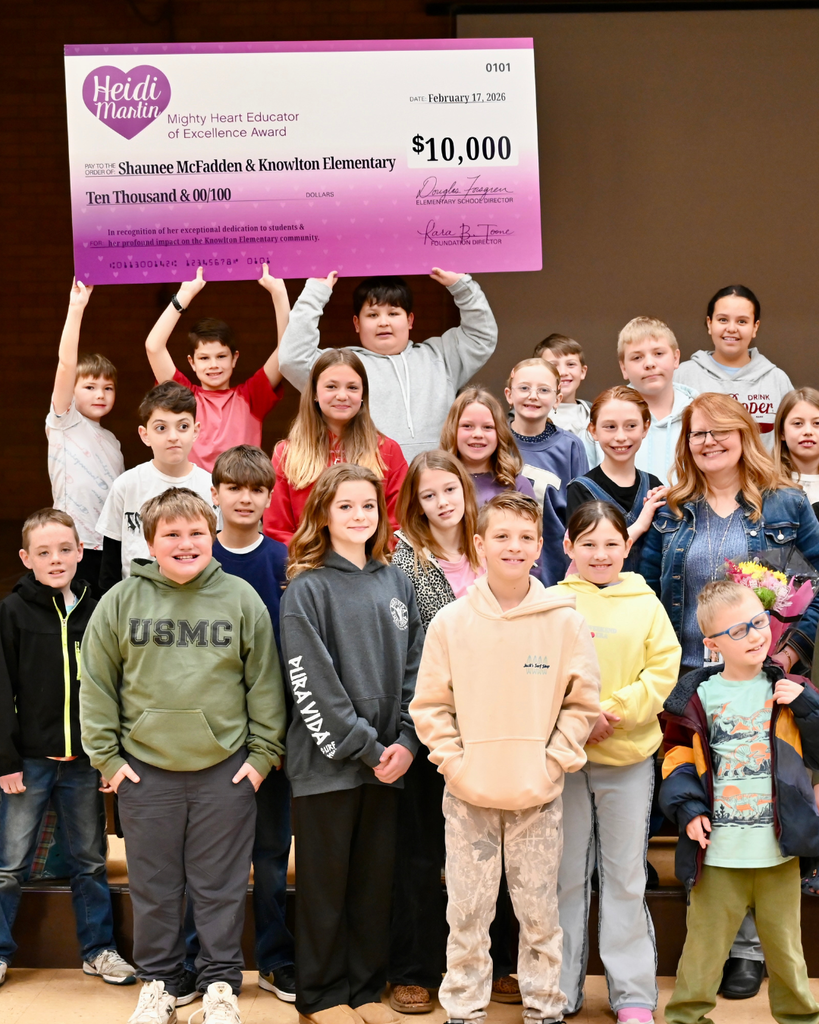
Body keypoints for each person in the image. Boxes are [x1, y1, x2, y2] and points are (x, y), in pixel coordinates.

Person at [81, 488, 286, 1024]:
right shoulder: (121, 601)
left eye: (196, 532)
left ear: (213, 535)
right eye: (171, 534)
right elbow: (97, 685)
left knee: (219, 885)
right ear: (150, 542)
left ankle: (219, 983)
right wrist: (109, 760)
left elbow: (265, 682)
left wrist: (262, 757)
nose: (185, 543)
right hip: (145, 772)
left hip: (227, 770)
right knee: (154, 887)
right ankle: (161, 982)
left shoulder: (240, 597)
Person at [640, 391, 819, 997]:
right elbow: (644, 590)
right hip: (689, 679)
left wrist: (788, 652)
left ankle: (746, 952)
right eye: (697, 434)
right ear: (685, 444)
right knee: (704, 806)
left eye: (721, 432)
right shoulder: (670, 512)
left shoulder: (785, 504)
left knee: (751, 802)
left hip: (757, 677)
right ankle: (709, 940)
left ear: (744, 434)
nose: (709, 442)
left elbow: (814, 588)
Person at [410, 491, 601, 1024]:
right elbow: (429, 704)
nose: (513, 547)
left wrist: (553, 761)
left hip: (537, 794)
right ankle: (464, 1008)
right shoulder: (450, 622)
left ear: (540, 547)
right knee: (466, 911)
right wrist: (454, 762)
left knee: (539, 911)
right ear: (479, 544)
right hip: (468, 793)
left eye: (524, 538)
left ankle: (544, 1006)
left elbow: (583, 702)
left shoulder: (565, 622)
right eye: (501, 537)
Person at [280, 463, 424, 1024]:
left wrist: (408, 743)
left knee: (372, 885)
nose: (359, 515)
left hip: (392, 762)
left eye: (368, 505)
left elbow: (419, 670)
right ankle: (322, 995)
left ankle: (365, 990)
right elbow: (310, 682)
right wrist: (368, 746)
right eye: (345, 506)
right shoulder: (306, 588)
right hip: (330, 766)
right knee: (325, 885)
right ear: (323, 513)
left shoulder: (397, 582)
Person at [660, 580, 819, 1024]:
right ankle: (686, 1016)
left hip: (778, 855)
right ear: (712, 645)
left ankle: (800, 1018)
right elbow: (676, 762)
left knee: (788, 953)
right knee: (702, 954)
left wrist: (806, 705)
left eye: (757, 623)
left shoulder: (793, 690)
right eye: (738, 631)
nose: (754, 635)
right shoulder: (696, 697)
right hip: (720, 858)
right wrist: (689, 810)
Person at [390, 452, 515, 1013]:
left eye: (449, 490)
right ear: (414, 505)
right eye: (428, 495)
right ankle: (413, 969)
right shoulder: (401, 559)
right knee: (419, 853)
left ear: (467, 491)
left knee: (502, 850)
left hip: (501, 722)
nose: (442, 503)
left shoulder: (495, 547)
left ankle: (504, 964)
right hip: (432, 722)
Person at [176, 446, 293, 1008]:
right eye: (234, 488)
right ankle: (202, 965)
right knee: (208, 860)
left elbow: (294, 657)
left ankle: (273, 960)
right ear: (214, 494)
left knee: (270, 857)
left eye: (256, 490)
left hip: (274, 739)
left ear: (269, 497)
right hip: (211, 739)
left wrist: (283, 737)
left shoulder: (286, 561)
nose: (245, 499)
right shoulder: (195, 561)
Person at [555, 502, 680, 1024]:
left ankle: (631, 994)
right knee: (563, 877)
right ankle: (559, 990)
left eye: (610, 544)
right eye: (588, 544)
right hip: (564, 760)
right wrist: (581, 717)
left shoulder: (646, 602)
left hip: (627, 758)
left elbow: (662, 671)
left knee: (625, 876)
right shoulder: (553, 603)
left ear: (627, 546)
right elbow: (539, 671)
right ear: (568, 549)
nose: (600, 554)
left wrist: (612, 711)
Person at [0, 509, 135, 989]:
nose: (55, 559)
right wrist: (6, 761)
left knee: (91, 862)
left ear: (81, 552)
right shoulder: (11, 613)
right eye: (43, 552)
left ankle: (98, 950)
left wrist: (107, 754)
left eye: (64, 549)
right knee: (9, 865)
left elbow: (115, 686)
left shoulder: (99, 610)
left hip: (84, 763)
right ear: (26, 558)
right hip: (29, 764)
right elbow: (2, 691)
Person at [277, 270, 497, 462]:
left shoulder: (441, 356)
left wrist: (461, 285)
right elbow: (293, 359)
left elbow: (481, 336)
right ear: (357, 323)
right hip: (369, 489)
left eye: (393, 313)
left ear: (410, 320)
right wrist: (316, 292)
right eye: (372, 315)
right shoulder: (344, 367)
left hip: (437, 487)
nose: (384, 322)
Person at [144, 265, 287, 471]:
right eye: (204, 358)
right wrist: (183, 296)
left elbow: (287, 354)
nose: (213, 365)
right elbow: (153, 347)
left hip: (241, 499)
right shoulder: (183, 395)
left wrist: (279, 294)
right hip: (193, 501)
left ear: (234, 358)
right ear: (192, 363)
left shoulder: (251, 396)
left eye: (221, 356)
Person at [263, 349, 407, 545]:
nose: (342, 396)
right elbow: (276, 530)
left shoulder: (387, 451)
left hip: (370, 569)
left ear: (363, 393)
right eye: (331, 386)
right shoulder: (287, 454)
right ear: (314, 393)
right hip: (308, 568)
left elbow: (398, 528)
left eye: (352, 388)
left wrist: (362, 562)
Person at [96, 381, 213, 591]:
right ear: (144, 434)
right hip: (136, 602)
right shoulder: (126, 485)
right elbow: (110, 563)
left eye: (183, 426)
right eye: (161, 428)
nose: (173, 436)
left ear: (196, 431)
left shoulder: (211, 486)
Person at [47, 279, 124, 596]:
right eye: (90, 387)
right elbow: (66, 365)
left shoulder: (113, 441)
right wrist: (76, 307)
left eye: (108, 388)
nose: (100, 394)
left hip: (107, 546)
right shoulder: (65, 423)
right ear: (73, 392)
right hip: (73, 544)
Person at [502, 358, 588, 585]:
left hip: (553, 569)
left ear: (557, 399)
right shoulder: (495, 442)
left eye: (543, 390)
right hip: (500, 566)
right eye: (524, 388)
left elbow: (580, 515)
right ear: (509, 395)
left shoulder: (571, 446)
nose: (533, 395)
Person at [674, 285, 792, 449]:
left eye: (742, 321)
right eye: (723, 320)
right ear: (709, 323)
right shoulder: (682, 376)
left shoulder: (777, 380)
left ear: (755, 327)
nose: (731, 328)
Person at [565, 387, 665, 571]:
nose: (620, 437)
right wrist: (640, 525)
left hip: (649, 596)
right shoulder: (580, 490)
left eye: (631, 426)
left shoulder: (654, 486)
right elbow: (589, 555)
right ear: (593, 430)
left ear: (646, 427)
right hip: (599, 595)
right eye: (610, 427)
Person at [617, 316, 698, 485]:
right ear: (624, 368)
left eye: (658, 353)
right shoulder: (607, 419)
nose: (649, 363)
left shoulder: (701, 415)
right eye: (637, 357)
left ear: (676, 358)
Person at [440, 386, 537, 506]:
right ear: (452, 430)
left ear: (500, 432)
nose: (478, 434)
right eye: (467, 426)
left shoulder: (517, 486)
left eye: (488, 427)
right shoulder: (436, 483)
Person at [534, 333, 597, 465]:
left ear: (583, 372)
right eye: (553, 365)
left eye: (571, 364)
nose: (563, 372)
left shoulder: (594, 414)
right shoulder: (530, 417)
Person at [773, 387, 819, 505]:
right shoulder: (764, 484)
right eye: (798, 423)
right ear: (782, 432)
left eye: (817, 423)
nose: (808, 431)